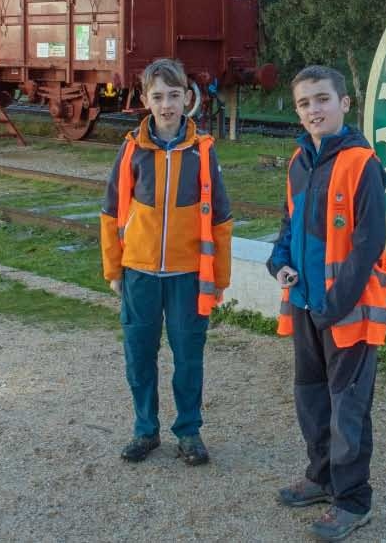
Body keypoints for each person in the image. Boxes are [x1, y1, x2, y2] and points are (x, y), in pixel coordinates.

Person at [266, 65, 386, 542]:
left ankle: (353, 501)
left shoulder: (363, 163)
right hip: (304, 306)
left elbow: (369, 244)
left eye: (322, 99)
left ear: (344, 103)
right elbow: (288, 225)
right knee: (312, 400)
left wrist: (334, 304)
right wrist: (277, 264)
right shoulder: (300, 162)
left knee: (348, 409)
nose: (313, 110)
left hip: (347, 314)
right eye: (304, 103)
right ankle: (320, 478)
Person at [100, 58, 233, 466]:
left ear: (187, 99)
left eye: (174, 96)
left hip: (188, 275)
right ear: (145, 100)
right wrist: (113, 269)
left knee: (188, 357)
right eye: (158, 96)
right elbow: (110, 212)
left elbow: (223, 220)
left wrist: (219, 278)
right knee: (139, 355)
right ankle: (145, 430)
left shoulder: (203, 152)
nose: (167, 104)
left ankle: (189, 432)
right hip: (139, 273)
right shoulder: (131, 150)